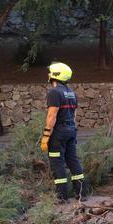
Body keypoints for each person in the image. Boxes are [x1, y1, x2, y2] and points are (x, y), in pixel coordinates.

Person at [40, 62, 87, 202]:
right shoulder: (72, 93)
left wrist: (46, 135)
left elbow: (52, 115)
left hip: (58, 133)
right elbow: (74, 115)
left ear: (54, 75)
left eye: (50, 72)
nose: (48, 75)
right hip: (71, 130)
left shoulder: (54, 92)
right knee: (73, 160)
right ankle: (81, 194)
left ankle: (62, 197)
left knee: (57, 163)